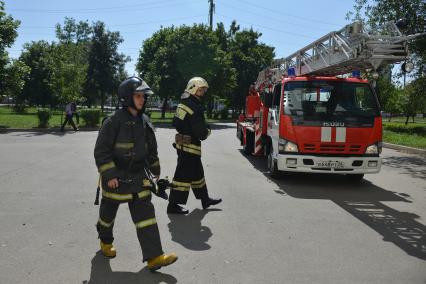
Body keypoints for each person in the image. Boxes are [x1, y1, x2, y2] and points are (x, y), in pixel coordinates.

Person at [94, 76, 177, 271]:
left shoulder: (145, 121)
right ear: (126, 97)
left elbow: (151, 150)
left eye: (143, 96)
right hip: (116, 177)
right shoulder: (113, 121)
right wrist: (109, 175)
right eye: (138, 96)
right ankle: (105, 242)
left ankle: (155, 257)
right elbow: (102, 151)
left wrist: (155, 171)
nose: (142, 99)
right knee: (107, 214)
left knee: (146, 215)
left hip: (139, 177)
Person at [167, 77, 222, 214]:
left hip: (183, 146)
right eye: (201, 90)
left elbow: (175, 123)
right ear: (193, 89)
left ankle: (205, 199)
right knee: (182, 177)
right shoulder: (195, 107)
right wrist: (208, 129)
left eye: (204, 90)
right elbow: (202, 134)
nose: (203, 92)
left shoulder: (182, 104)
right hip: (190, 148)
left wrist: (186, 130)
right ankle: (172, 205)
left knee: (198, 174)